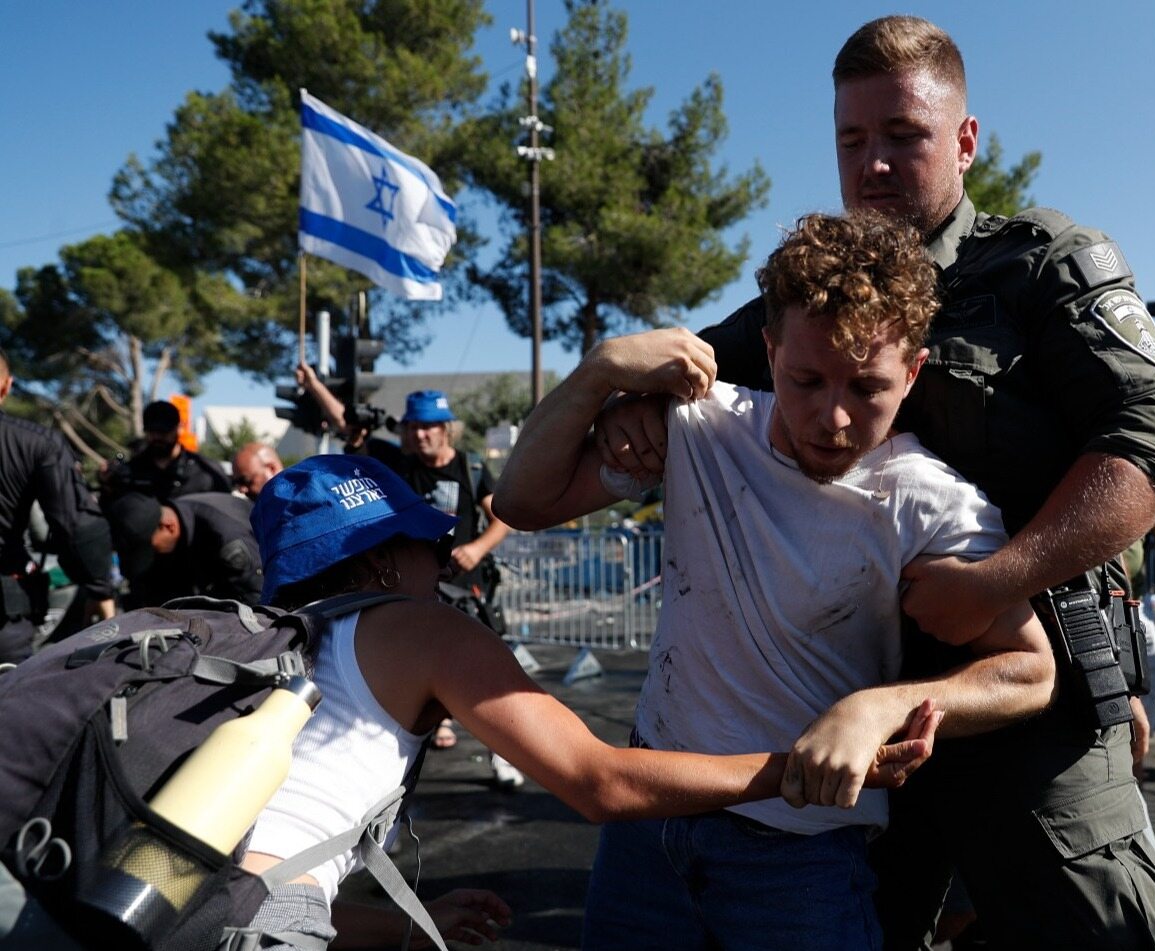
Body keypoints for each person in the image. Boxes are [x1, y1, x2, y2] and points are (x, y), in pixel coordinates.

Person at [597, 17, 1155, 948]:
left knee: (1097, 928)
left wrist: (1000, 579)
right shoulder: (808, 294)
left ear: (963, 140)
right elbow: (688, 371)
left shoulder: (1043, 267)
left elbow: (1154, 443)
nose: (872, 163)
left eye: (903, 136)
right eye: (851, 140)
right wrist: (629, 407)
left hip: (1024, 693)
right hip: (855, 707)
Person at [495, 211, 1056, 950]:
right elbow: (521, 502)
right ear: (768, 350)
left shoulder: (926, 497)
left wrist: (877, 708)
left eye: (866, 387)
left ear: (913, 370)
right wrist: (598, 370)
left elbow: (1029, 671)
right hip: (648, 828)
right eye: (806, 379)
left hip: (802, 855)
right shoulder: (700, 427)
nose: (832, 416)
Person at [239, 452, 939, 951]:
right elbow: (598, 781)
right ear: (385, 560)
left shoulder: (241, 651)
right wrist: (799, 769)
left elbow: (240, 888)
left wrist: (403, 922)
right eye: (432, 543)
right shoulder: (423, 629)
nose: (446, 559)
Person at [299, 374, 514, 762]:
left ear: (446, 429)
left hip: (466, 583)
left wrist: (478, 549)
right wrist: (315, 386)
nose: (421, 434)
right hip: (415, 585)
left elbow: (502, 517)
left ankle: (503, 749)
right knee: (426, 658)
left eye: (429, 426)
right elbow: (351, 424)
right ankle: (441, 721)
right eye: (413, 426)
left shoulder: (471, 467)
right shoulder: (397, 463)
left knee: (483, 666)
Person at [0, 349, 115, 664]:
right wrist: (100, 590)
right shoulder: (38, 443)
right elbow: (76, 524)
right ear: (7, 387)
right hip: (6, 616)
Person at [106, 491, 262, 609]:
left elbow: (257, 599)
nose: (155, 555)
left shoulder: (226, 539)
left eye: (151, 549)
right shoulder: (173, 518)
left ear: (168, 527)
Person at [101, 400, 233, 503]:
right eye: (152, 432)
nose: (158, 437)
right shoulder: (132, 471)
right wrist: (108, 486)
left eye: (163, 431)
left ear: (178, 429)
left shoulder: (205, 473)